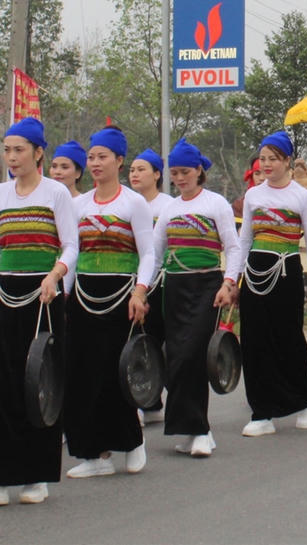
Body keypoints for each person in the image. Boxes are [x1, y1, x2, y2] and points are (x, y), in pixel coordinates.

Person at [0, 117, 79, 507]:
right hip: (6, 295)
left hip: (43, 298)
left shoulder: (56, 193)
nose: (12, 157)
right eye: (7, 150)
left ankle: (36, 474)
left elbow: (70, 246)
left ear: (38, 152)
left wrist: (56, 275)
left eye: (19, 150)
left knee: (38, 384)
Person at [63, 127, 157, 479]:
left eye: (103, 156)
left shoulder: (133, 203)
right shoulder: (78, 205)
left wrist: (139, 292)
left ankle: (131, 441)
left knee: (115, 373)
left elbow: (148, 254)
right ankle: (93, 454)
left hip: (121, 298)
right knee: (83, 375)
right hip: (85, 297)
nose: (96, 163)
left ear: (120, 160)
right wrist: (65, 294)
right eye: (91, 157)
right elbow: (72, 253)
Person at [229, 130, 307, 435]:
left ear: (286, 161)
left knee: (288, 339)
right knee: (254, 343)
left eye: (273, 159)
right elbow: (244, 241)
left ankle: (306, 400)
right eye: (263, 159)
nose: (266, 164)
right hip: (255, 275)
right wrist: (233, 278)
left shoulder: (302, 196)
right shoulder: (254, 195)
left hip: (286, 271)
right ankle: (262, 412)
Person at [149, 139, 239, 457]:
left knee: (193, 354)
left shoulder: (216, 204)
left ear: (199, 171)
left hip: (207, 288)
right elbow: (155, 253)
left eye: (185, 172)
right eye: (174, 173)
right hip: (173, 287)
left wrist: (229, 284)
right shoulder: (169, 209)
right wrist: (142, 287)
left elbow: (234, 247)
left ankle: (200, 429)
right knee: (176, 357)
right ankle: (190, 428)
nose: (180, 178)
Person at [128, 147, 174, 424]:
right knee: (137, 343)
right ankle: (143, 399)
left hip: (162, 284)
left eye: (141, 169)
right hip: (132, 284)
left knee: (158, 340)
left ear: (157, 174)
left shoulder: (167, 205)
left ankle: (155, 399)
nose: (134, 174)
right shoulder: (127, 202)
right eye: (132, 170)